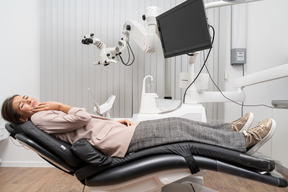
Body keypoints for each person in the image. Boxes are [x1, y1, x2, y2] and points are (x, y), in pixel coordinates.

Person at [1, 95, 276, 157]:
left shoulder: (39, 116)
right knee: (182, 130)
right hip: (118, 142)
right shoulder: (40, 117)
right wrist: (60, 106)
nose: (28, 101)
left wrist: (112, 120)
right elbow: (82, 118)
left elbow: (80, 126)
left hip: (116, 133)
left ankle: (229, 128)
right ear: (21, 118)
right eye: (22, 105)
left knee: (178, 123)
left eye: (25, 97)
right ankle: (242, 141)